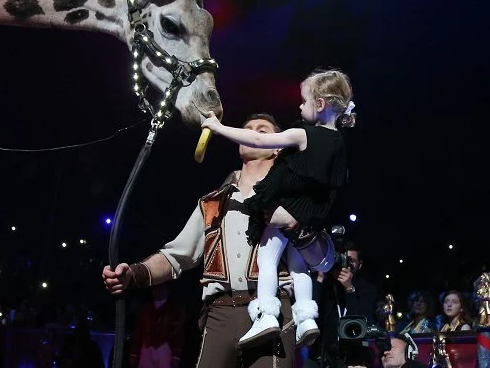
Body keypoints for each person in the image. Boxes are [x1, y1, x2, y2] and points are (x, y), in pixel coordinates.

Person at [103, 113, 335, 368]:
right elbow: (176, 257)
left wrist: (295, 225)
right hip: (219, 314)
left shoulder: (294, 197)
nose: (253, 133)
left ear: (277, 147)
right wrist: (133, 274)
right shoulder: (212, 202)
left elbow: (323, 260)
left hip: (273, 313)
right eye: (248, 129)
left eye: (262, 130)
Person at [201, 69, 355, 347]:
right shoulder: (340, 145)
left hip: (285, 208)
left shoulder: (302, 134)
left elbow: (259, 141)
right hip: (308, 214)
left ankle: (266, 314)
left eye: (303, 102)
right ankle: (307, 318)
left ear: (319, 105)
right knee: (298, 267)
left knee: (267, 259)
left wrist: (218, 128)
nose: (299, 106)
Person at [305, 241, 378, 368]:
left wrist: (349, 289)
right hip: (321, 356)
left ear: (360, 265)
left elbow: (363, 322)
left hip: (351, 358)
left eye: (351, 261)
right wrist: (320, 278)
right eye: (342, 259)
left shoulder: (366, 289)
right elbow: (311, 314)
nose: (346, 264)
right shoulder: (324, 286)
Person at [129, 283, 185, 368]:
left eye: (162, 287)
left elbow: (178, 334)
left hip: (163, 350)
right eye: (156, 288)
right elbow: (139, 331)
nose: (158, 290)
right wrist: (134, 353)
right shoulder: (146, 308)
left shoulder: (173, 310)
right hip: (146, 349)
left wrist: (176, 355)